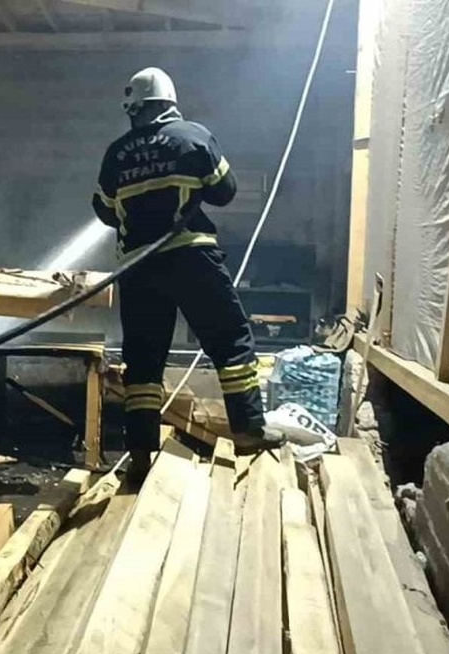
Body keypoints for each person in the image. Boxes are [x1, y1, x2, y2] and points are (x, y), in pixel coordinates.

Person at [92, 67, 284, 486]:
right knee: (229, 341)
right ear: (170, 102)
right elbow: (224, 191)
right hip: (192, 257)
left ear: (136, 109)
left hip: (138, 267)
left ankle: (140, 453)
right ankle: (249, 430)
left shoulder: (117, 153)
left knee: (143, 362)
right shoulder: (193, 136)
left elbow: (104, 210)